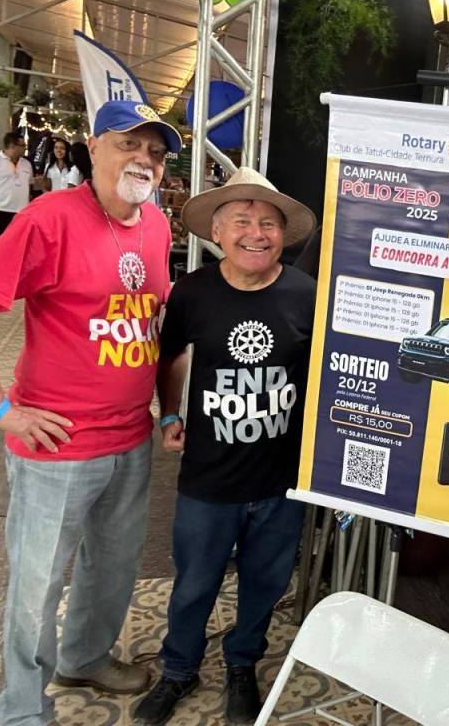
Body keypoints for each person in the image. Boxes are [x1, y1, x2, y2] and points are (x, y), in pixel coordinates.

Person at [0, 100, 183, 726]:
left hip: (130, 437)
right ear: (93, 147)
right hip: (58, 445)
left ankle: (85, 658)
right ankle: (23, 710)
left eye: (155, 152)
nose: (144, 159)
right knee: (37, 587)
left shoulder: (156, 225)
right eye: (129, 144)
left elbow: (154, 326)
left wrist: (166, 410)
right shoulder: (51, 218)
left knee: (113, 567)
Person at [133, 167, 317, 726]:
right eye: (241, 221)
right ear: (217, 231)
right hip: (208, 478)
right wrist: (170, 412)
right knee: (194, 584)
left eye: (268, 223)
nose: (255, 234)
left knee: (265, 584)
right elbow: (171, 355)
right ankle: (178, 669)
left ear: (283, 234)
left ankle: (242, 665)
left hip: (281, 481)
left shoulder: (306, 294)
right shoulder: (193, 291)